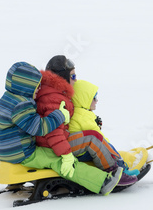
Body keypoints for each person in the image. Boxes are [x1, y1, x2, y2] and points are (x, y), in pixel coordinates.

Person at [0, 61, 123, 196]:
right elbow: (39, 128)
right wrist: (59, 115)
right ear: (26, 87)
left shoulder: (9, 98)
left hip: (3, 149)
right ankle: (102, 182)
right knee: (63, 163)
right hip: (21, 151)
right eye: (36, 86)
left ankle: (16, 183)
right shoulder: (21, 104)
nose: (39, 89)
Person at [35, 55, 137, 186]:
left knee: (91, 136)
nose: (76, 80)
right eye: (72, 77)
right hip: (51, 145)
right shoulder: (54, 98)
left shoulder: (53, 92)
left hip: (53, 141)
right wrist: (66, 155)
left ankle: (115, 163)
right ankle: (114, 173)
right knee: (92, 138)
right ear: (62, 78)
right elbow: (53, 132)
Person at [69, 79, 139, 176]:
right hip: (81, 153)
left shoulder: (79, 112)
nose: (97, 100)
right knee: (108, 147)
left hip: (79, 148)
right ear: (84, 99)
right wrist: (110, 149)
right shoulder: (82, 116)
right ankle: (122, 170)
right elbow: (100, 138)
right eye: (94, 98)